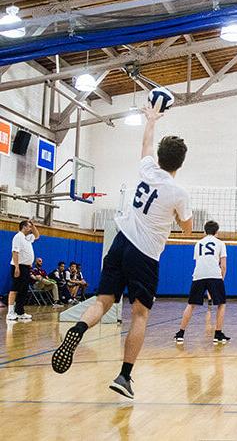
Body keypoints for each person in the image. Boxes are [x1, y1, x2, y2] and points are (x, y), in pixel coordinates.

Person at [52, 105, 192, 401]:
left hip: (120, 241)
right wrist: (176, 217)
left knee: (103, 301)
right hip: (145, 255)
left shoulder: (147, 169)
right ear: (180, 162)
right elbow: (189, 229)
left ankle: (79, 327)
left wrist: (151, 120)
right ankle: (124, 376)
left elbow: (145, 145)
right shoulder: (179, 193)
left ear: (160, 157)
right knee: (139, 315)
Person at [174, 220, 229, 344]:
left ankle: (180, 333)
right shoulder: (220, 243)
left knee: (191, 304)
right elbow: (223, 266)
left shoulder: (198, 243)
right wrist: (222, 279)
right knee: (221, 304)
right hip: (214, 275)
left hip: (198, 275)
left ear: (205, 231)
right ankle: (218, 334)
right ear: (217, 231)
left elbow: (198, 261)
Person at [7, 219, 39, 321]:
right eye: (29, 226)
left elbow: (37, 236)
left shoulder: (27, 238)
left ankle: (20, 312)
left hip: (26, 267)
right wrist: (16, 267)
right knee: (15, 289)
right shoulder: (18, 237)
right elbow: (15, 252)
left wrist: (33, 225)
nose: (31, 229)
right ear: (24, 227)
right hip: (18, 266)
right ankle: (10, 312)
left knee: (23, 290)